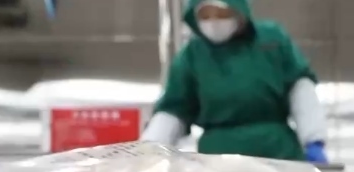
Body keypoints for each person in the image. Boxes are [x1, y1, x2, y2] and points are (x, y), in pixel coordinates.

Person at [141, 0, 329, 163]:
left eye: (222, 13)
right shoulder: (192, 56)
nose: (214, 22)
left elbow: (300, 90)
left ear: (239, 11)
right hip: (219, 161)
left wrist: (314, 140)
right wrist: (147, 153)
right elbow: (173, 112)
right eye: (205, 16)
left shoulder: (271, 41)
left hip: (277, 153)